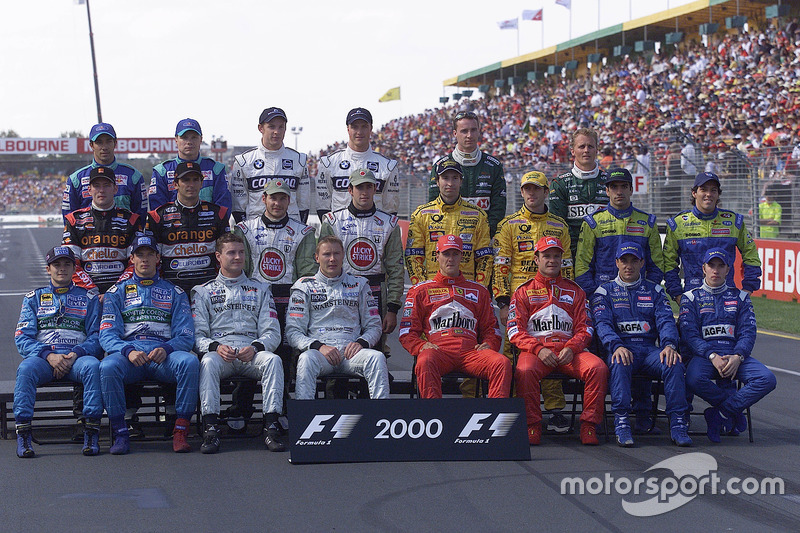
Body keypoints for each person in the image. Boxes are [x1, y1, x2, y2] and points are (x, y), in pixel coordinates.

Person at [99, 236, 199, 455]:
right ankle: (121, 433)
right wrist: (128, 350)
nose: (145, 260)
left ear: (158, 258)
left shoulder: (176, 292)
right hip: (130, 356)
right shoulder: (115, 293)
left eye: (150, 255)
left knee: (190, 362)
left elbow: (186, 335)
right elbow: (106, 334)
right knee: (107, 367)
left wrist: (168, 349)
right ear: (132, 258)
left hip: (162, 356)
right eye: (140, 255)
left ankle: (180, 431)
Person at [507, 236, 608, 445]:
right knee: (524, 371)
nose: (552, 260)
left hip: (570, 353)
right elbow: (514, 330)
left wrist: (572, 347)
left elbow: (586, 327)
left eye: (556, 256)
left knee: (598, 368)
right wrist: (537, 349)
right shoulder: (523, 291)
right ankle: (532, 425)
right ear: (536, 259)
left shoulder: (576, 290)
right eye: (546, 256)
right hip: (538, 352)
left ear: (562, 259)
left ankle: (588, 426)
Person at [492, 170, 572, 432]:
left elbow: (567, 267)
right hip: (520, 299)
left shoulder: (560, 226)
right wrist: (503, 303)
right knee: (513, 353)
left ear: (546, 192)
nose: (532, 193)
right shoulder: (508, 225)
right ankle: (515, 406)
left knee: (553, 345)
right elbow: (501, 264)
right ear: (522, 192)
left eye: (537, 189)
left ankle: (555, 408)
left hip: (553, 299)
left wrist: (568, 300)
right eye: (527, 189)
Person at [192, 233, 286, 453]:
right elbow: (197, 335)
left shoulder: (262, 288)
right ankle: (211, 429)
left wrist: (255, 347)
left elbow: (272, 332)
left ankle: (271, 426)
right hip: (220, 352)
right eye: (231, 252)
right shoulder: (202, 291)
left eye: (241, 252)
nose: (237, 257)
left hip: (250, 351)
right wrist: (215, 347)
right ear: (218, 256)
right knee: (207, 363)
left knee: (273, 361)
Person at [591, 242, 691, 447]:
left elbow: (666, 321)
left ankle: (678, 424)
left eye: (634, 261)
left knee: (674, 363)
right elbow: (602, 324)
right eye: (624, 261)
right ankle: (622, 422)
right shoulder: (604, 291)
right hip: (620, 348)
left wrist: (670, 345)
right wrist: (616, 345)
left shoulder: (654, 290)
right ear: (617, 262)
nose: (629, 266)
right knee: (619, 361)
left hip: (649, 350)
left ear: (642, 263)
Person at [234, 178, 316, 421]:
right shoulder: (245, 229)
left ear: (289, 201)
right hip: (254, 302)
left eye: (282, 198)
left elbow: (306, 273)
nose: (277, 202)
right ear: (264, 199)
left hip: (289, 302)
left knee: (285, 357)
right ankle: (241, 407)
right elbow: (243, 270)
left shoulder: (303, 231)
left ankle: (281, 406)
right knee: (249, 350)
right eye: (273, 197)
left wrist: (300, 305)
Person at [13, 247, 103, 458]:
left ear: (74, 268)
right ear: (48, 269)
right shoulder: (33, 298)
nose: (62, 269)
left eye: (67, 264)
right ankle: (23, 434)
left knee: (93, 366)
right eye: (57, 265)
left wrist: (76, 353)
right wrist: (49, 356)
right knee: (25, 369)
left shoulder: (88, 298)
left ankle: (91, 431)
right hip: (45, 359)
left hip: (76, 358)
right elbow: (22, 337)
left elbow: (97, 337)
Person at [679, 248, 777, 443]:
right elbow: (690, 335)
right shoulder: (690, 298)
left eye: (720, 266)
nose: (715, 270)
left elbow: (748, 332)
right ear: (703, 268)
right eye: (711, 265)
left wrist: (738, 356)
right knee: (692, 378)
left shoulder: (740, 297)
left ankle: (722, 412)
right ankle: (732, 409)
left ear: (727, 270)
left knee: (767, 379)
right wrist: (712, 356)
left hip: (735, 357)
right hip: (706, 357)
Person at [399, 234, 511, 399]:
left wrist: (489, 344)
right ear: (437, 256)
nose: (450, 259)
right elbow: (407, 332)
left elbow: (492, 329)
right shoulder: (420, 291)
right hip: (439, 352)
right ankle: (434, 418)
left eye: (455, 254)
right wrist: (420, 346)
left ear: (462, 256)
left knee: (501, 363)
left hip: (470, 353)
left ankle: (494, 419)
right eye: (446, 254)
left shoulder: (479, 291)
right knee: (424, 361)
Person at [286, 235, 389, 400]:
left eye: (336, 254)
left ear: (343, 256)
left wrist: (361, 343)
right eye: (327, 254)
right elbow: (293, 332)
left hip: (351, 353)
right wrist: (318, 346)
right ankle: (305, 417)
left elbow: (374, 326)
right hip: (321, 354)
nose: (332, 259)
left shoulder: (360, 284)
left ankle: (381, 418)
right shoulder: (303, 286)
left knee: (377, 358)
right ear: (317, 257)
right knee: (305, 359)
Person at [319, 168, 404, 351]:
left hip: (376, 292)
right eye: (359, 187)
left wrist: (392, 309)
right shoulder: (333, 221)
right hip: (339, 291)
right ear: (350, 190)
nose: (364, 192)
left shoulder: (389, 224)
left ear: (375, 190)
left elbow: (396, 268)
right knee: (338, 347)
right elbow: (321, 267)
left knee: (375, 350)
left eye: (368, 187)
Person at [663, 171, 762, 302]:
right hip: (692, 298)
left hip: (727, 298)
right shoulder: (678, 224)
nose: (708, 194)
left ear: (718, 194)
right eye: (703, 189)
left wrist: (748, 288)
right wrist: (677, 295)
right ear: (694, 193)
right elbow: (668, 263)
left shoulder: (733, 222)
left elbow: (751, 255)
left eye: (713, 190)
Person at [575, 167, 664, 297]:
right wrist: (593, 294)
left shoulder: (647, 222)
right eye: (614, 187)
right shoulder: (593, 222)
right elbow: (582, 264)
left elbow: (657, 264)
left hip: (638, 293)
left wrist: (647, 291)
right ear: (607, 191)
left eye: (624, 186)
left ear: (631, 190)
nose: (619, 192)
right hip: (603, 293)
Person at [406, 157, 492, 289]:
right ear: (437, 182)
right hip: (433, 289)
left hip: (466, 289)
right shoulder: (422, 215)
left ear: (461, 181)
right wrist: (422, 287)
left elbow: (485, 258)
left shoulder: (478, 215)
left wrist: (479, 288)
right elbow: (413, 256)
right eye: (445, 178)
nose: (450, 183)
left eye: (455, 178)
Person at [146, 161, 230, 293]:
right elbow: (153, 260)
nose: (191, 185)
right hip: (171, 288)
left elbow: (225, 257)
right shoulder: (157, 216)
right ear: (175, 184)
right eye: (185, 180)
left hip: (209, 288)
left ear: (202, 183)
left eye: (195, 180)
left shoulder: (218, 214)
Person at [63, 166, 143, 293]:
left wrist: (115, 291)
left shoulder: (131, 220)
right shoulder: (74, 220)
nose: (101, 190)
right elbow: (71, 264)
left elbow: (135, 264)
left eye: (106, 185)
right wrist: (91, 290)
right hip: (85, 292)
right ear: (89, 190)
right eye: (96, 186)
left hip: (123, 292)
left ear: (115, 189)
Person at [428, 110, 506, 235]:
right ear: (455, 133)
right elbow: (433, 207)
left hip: (484, 238)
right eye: (464, 131)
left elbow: (499, 208)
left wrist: (485, 235)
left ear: (479, 131)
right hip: (450, 239)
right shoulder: (439, 166)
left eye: (473, 130)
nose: (469, 135)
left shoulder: (494, 165)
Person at [229, 107, 311, 223]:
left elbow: (304, 203)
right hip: (255, 229)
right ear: (260, 128)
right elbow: (238, 206)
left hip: (291, 230)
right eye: (271, 126)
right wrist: (246, 231)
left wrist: (299, 228)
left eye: (281, 127)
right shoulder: (244, 161)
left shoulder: (299, 160)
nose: (276, 131)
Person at [315, 107, 400, 217]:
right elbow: (323, 206)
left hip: (376, 231)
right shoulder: (329, 163)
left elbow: (391, 209)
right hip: (339, 232)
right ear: (348, 129)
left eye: (364, 127)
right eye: (355, 127)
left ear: (371, 129)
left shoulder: (388, 166)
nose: (359, 132)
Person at [62, 122, 147, 221]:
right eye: (99, 142)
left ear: (115, 143)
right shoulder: (76, 179)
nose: (104, 147)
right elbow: (69, 220)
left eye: (108, 141)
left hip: (125, 235)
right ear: (91, 145)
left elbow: (141, 218)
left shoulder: (133, 176)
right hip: (88, 235)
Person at [548, 128, 609, 259]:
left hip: (606, 253)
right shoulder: (560, 183)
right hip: (572, 254)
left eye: (590, 146)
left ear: (596, 150)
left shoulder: (610, 182)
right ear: (573, 151)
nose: (586, 150)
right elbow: (557, 226)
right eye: (581, 146)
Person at [148, 118, 231, 213]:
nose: (189, 142)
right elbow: (157, 212)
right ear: (176, 139)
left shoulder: (216, 169)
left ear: (201, 139)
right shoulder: (162, 171)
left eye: (194, 137)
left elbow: (224, 209)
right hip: (172, 226)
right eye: (184, 137)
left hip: (208, 226)